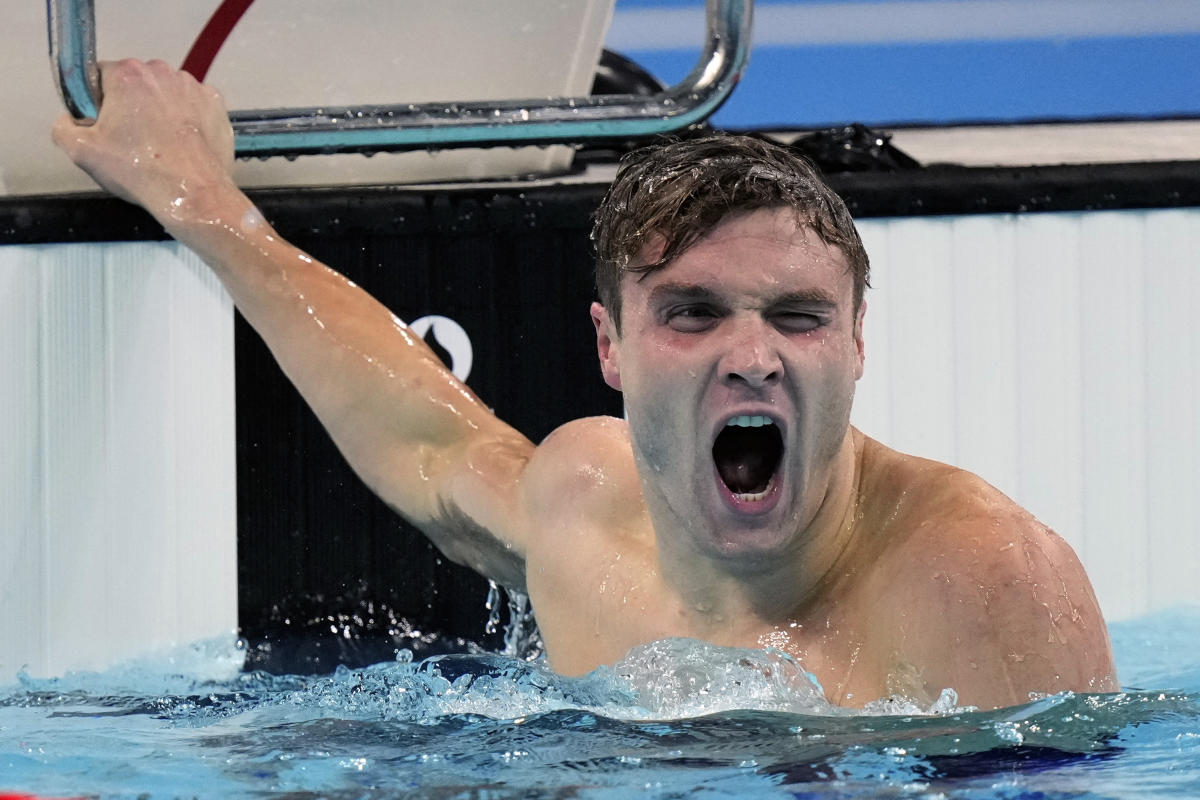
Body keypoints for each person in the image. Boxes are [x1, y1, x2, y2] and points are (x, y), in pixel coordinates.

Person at [53, 59, 1118, 709]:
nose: (754, 354)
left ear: (856, 341)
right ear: (611, 345)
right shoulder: (587, 509)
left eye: (798, 315)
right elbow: (421, 432)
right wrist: (197, 196)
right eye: (694, 313)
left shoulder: (980, 587)